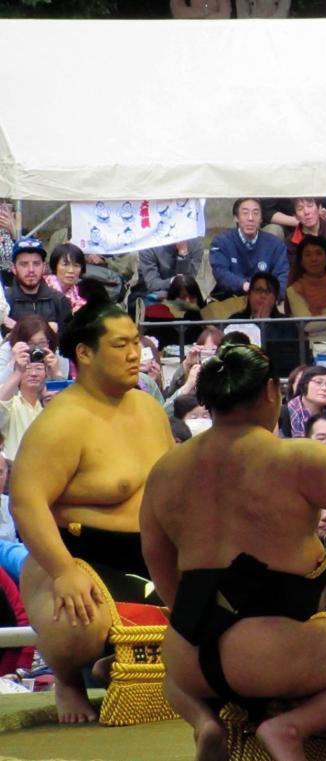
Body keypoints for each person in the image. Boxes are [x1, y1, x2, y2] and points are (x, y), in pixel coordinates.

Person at [139, 343, 326, 761]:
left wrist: (202, 628)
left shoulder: (165, 469)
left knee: (181, 670)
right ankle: (289, 728)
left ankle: (205, 721)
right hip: (269, 652)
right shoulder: (289, 456)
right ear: (269, 393)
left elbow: (160, 568)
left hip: (187, 658)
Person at [10, 299, 174, 722]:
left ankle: (117, 665)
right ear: (85, 352)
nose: (135, 354)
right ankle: (68, 677)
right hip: (77, 557)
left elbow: (172, 489)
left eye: (137, 343)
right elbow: (27, 503)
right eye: (121, 345)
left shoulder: (150, 409)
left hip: (153, 557)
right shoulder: (61, 422)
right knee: (77, 624)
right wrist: (63, 571)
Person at [209, 198, 289, 300]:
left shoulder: (275, 244)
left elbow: (282, 276)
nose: (250, 218)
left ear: (261, 219)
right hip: (229, 299)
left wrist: (272, 295)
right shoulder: (222, 242)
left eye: (255, 213)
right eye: (245, 213)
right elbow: (220, 272)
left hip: (265, 299)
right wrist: (246, 286)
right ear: (236, 218)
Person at [3, 238, 72, 332]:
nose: (31, 269)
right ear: (13, 268)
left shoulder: (60, 301)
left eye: (36, 263)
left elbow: (68, 341)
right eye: (24, 264)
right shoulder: (4, 302)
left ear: (44, 267)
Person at [136, 238, 204, 302]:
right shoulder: (148, 245)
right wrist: (174, 281)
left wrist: (183, 255)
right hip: (156, 292)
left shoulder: (196, 243)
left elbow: (188, 280)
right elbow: (152, 284)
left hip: (184, 292)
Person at [44, 243, 87, 313]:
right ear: (55, 266)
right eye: (65, 265)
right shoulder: (41, 286)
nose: (71, 270)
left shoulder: (80, 296)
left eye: (76, 265)